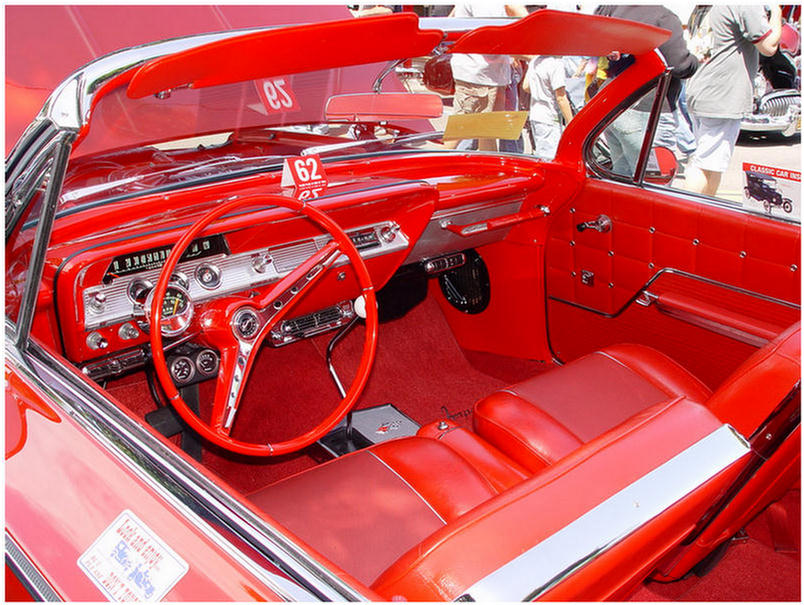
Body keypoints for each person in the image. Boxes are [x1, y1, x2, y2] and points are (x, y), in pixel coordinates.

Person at [685, 6, 782, 197]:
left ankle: (704, 210)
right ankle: (686, 213)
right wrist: (777, 12)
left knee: (712, 164)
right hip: (722, 95)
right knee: (704, 165)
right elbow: (769, 46)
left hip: (702, 88)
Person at [595, 5, 699, 177]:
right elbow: (680, 65)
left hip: (615, 106)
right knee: (652, 182)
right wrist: (695, 60)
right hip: (649, 109)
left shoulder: (615, 9)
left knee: (622, 177)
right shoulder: (663, 17)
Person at [446, 2, 528, 151]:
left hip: (488, 73)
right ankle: (435, 161)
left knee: (487, 131)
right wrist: (531, 54)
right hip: (478, 73)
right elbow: (491, 35)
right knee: (461, 130)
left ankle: (486, 167)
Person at [522, 55, 573, 160]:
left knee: (542, 154)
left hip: (536, 114)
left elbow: (526, 86)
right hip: (549, 116)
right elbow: (561, 98)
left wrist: (539, 91)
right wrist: (571, 123)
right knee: (550, 157)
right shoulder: (556, 64)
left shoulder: (535, 61)